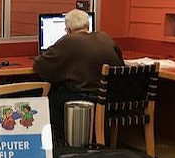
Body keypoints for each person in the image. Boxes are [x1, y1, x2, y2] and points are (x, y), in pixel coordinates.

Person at [33, 8, 124, 141]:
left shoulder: (69, 40)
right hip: (110, 97)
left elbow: (40, 65)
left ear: (68, 30)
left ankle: (61, 143)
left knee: (51, 98)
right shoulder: (105, 38)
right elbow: (121, 64)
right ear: (88, 25)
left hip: (85, 98)